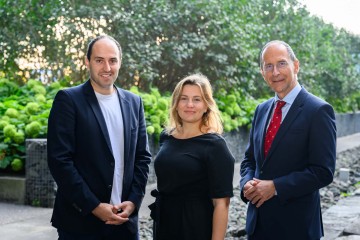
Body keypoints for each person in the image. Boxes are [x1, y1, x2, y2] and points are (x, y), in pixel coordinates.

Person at [47, 35, 152, 240]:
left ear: (120, 63)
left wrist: (133, 201)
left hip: (125, 223)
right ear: (87, 62)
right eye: (99, 60)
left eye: (112, 60)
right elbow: (60, 161)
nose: (107, 67)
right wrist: (93, 206)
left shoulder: (134, 102)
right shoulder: (68, 100)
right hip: (80, 224)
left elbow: (142, 157)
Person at [240, 40, 337, 240]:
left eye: (281, 63)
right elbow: (250, 159)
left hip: (297, 229)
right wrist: (246, 184)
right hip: (258, 227)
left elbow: (323, 171)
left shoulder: (318, 111)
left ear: (296, 65)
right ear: (262, 72)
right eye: (268, 66)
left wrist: (275, 187)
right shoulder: (262, 109)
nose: (275, 72)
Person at [149, 74, 235, 240]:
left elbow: (221, 204)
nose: (189, 105)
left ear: (206, 106)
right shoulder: (166, 136)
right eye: (184, 98)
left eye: (197, 99)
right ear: (176, 103)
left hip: (195, 226)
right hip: (164, 223)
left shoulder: (215, 145)